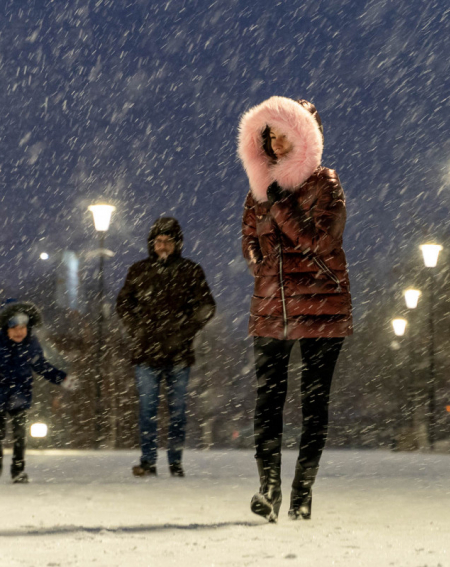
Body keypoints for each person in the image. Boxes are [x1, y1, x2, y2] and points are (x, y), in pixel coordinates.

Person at [238, 96, 353, 521]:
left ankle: (302, 491)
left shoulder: (325, 184)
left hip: (322, 307)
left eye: (284, 134)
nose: (276, 142)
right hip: (271, 308)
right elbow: (249, 237)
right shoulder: (258, 189)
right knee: (267, 401)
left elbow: (321, 242)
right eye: (270, 135)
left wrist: (280, 206)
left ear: (305, 135)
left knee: (313, 401)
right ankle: (269, 489)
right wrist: (258, 261)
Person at [116, 217, 216, 477]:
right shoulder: (138, 271)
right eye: (159, 241)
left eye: (168, 241)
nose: (163, 246)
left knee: (177, 411)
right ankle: (148, 461)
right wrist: (138, 329)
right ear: (152, 244)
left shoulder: (191, 271)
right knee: (148, 409)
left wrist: (183, 333)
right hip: (146, 352)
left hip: (179, 353)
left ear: (177, 244)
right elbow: (123, 304)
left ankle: (175, 462)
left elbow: (206, 307)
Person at [0, 299, 77, 483]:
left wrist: (61, 378)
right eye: (14, 328)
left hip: (20, 394)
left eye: (23, 327)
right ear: (5, 328)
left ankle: (18, 470)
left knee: (19, 434)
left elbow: (42, 366)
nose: (19, 332)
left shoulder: (31, 344)